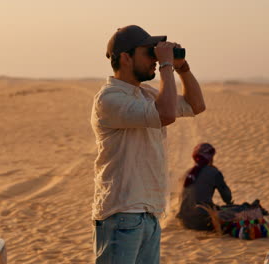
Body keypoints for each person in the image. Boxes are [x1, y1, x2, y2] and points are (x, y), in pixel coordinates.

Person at [90, 25, 206, 264]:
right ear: (125, 57)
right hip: (122, 214)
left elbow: (196, 106)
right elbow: (166, 114)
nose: (154, 59)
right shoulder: (110, 98)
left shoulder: (147, 94)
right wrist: (166, 66)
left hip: (149, 214)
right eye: (148, 52)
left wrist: (182, 68)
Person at [176, 143, 233, 231]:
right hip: (202, 221)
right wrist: (229, 204)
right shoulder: (214, 172)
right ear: (210, 158)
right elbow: (227, 197)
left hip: (184, 221)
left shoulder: (187, 173)